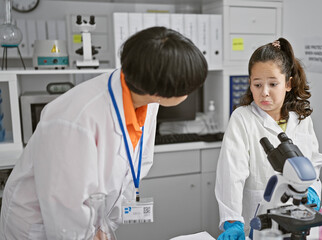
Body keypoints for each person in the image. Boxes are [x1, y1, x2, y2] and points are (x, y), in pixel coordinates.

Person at [0, 27, 207, 240]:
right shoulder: (75, 118)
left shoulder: (146, 98)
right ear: (160, 91)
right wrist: (89, 230)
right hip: (43, 226)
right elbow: (65, 208)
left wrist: (103, 221)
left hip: (93, 218)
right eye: (188, 88)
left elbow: (136, 163)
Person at [215, 38, 322, 239]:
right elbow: (231, 175)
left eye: (273, 84)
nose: (264, 92)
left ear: (288, 84)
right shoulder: (242, 118)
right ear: (250, 84)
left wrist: (311, 189)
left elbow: (314, 162)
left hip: (297, 217)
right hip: (255, 219)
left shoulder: (301, 119)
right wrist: (233, 221)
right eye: (257, 84)